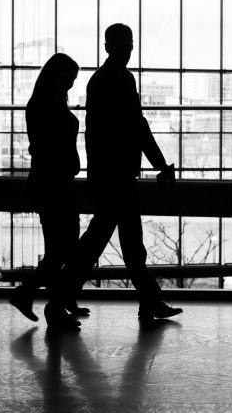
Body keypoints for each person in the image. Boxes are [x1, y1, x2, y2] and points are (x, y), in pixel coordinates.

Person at [63, 23, 183, 321]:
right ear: (116, 47)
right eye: (126, 44)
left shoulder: (98, 81)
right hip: (119, 176)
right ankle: (147, 301)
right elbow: (137, 126)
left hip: (107, 175)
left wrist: (94, 176)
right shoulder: (122, 79)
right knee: (126, 242)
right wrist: (160, 164)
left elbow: (95, 134)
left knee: (103, 239)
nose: (128, 50)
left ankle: (65, 292)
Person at [9, 53, 81, 330]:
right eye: (70, 79)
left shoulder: (41, 103)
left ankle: (36, 299)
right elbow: (50, 147)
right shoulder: (47, 105)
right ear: (58, 76)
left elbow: (39, 146)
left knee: (58, 248)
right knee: (64, 246)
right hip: (55, 184)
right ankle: (40, 300)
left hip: (50, 182)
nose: (71, 85)